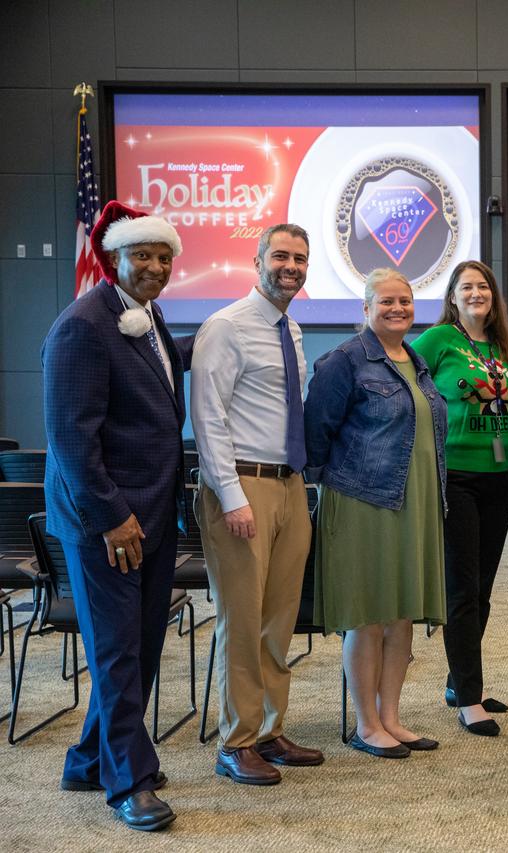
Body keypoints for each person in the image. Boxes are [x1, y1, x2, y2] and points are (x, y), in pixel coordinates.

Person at [42, 201, 188, 831]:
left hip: (152, 513)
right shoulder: (82, 325)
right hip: (107, 521)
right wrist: (110, 517)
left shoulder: (149, 319)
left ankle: (85, 759)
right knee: (117, 651)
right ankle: (128, 779)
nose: (154, 266)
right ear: (114, 257)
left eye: (164, 257)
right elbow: (71, 440)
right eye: (142, 255)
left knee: (142, 644)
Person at [191, 223, 324, 785]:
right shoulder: (226, 326)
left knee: (277, 619)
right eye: (280, 256)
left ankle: (269, 730)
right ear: (257, 259)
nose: (290, 266)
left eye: (299, 258)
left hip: (289, 485)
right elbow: (207, 416)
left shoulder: (289, 327)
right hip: (241, 489)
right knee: (242, 621)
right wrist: (231, 496)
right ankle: (236, 740)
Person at [305, 269, 448, 758]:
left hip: (416, 502)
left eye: (405, 301)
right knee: (367, 616)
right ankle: (367, 725)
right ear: (365, 309)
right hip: (363, 502)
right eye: (386, 301)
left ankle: (392, 718)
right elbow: (316, 432)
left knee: (401, 613)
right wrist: (339, 487)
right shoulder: (345, 361)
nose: (397, 308)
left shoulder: (417, 360)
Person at [410, 261, 508, 737]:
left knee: (483, 588)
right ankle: (470, 700)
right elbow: (403, 383)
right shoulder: (437, 341)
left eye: (483, 287)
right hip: (454, 477)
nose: (476, 293)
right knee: (462, 587)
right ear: (453, 297)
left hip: (500, 474)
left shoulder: (503, 347)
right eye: (466, 287)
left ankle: (461, 681)